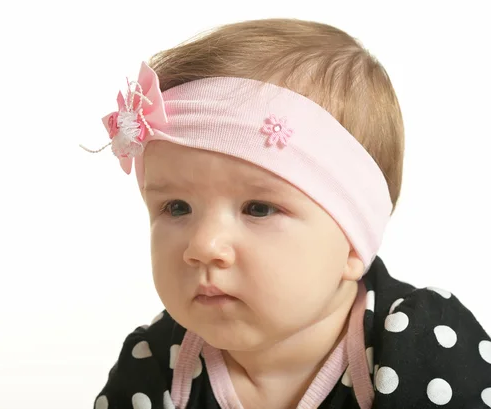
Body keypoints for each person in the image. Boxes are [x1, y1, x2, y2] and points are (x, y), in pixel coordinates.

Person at [82, 17, 491, 409]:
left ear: (352, 244)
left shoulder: (420, 345)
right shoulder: (156, 365)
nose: (203, 246)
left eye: (257, 208)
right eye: (176, 207)